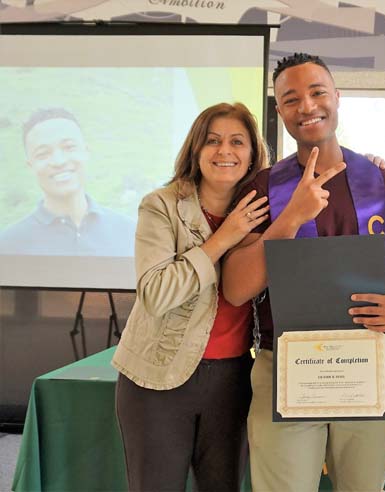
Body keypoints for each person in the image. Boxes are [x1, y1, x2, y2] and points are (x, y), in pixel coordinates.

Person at [222, 53, 385, 492]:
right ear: (279, 111)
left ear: (337, 97)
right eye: (291, 99)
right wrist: (290, 217)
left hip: (368, 361)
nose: (306, 106)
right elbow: (236, 288)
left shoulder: (383, 182)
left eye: (317, 93)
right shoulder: (262, 187)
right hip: (287, 364)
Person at [111, 102, 270, 492]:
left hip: (233, 379)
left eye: (237, 142)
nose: (225, 151)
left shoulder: (264, 208)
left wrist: (371, 167)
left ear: (253, 154)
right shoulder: (161, 205)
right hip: (157, 378)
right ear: (195, 150)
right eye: (212, 141)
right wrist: (222, 239)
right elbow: (156, 292)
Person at [0, 107, 136, 256]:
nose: (59, 161)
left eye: (69, 147)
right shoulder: (8, 246)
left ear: (86, 151)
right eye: (43, 154)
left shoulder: (132, 234)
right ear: (30, 166)